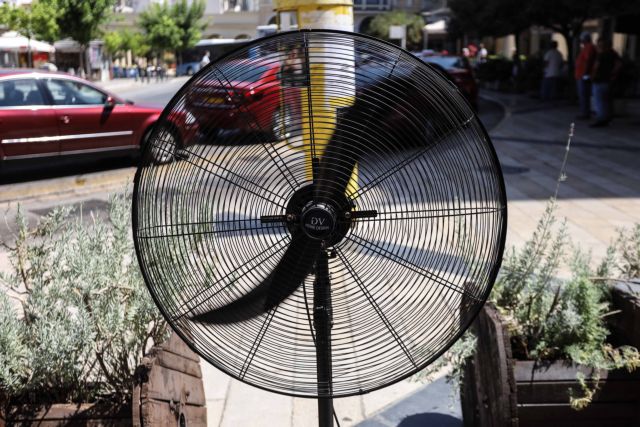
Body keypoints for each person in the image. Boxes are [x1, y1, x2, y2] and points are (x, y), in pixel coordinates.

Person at [590, 38, 622, 127]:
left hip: (600, 80)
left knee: (600, 100)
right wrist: (613, 74)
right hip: (608, 81)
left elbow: (596, 67)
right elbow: (619, 64)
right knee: (607, 100)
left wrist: (592, 76)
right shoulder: (613, 54)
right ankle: (607, 118)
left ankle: (601, 119)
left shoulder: (601, 55)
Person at [575, 32, 597, 119]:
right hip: (581, 75)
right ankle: (584, 112)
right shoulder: (586, 48)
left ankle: (585, 113)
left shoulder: (589, 47)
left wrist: (585, 73)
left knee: (584, 95)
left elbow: (589, 60)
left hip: (583, 75)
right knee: (583, 95)